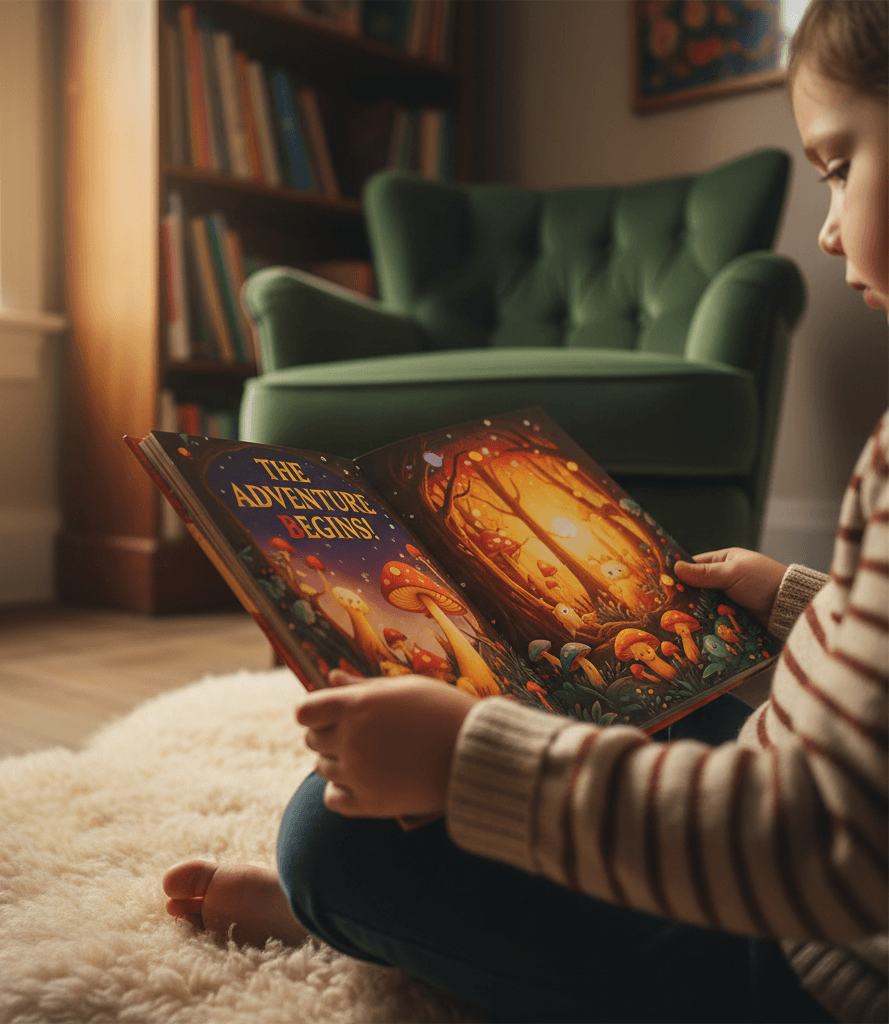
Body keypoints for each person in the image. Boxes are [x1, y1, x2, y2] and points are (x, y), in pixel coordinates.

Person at [164, 3, 887, 1019]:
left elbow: (821, 846)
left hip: (797, 964)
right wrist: (796, 599)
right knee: (655, 699)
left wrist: (470, 764)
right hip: (799, 804)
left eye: (840, 166)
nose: (822, 224)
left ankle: (347, 918)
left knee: (332, 840)